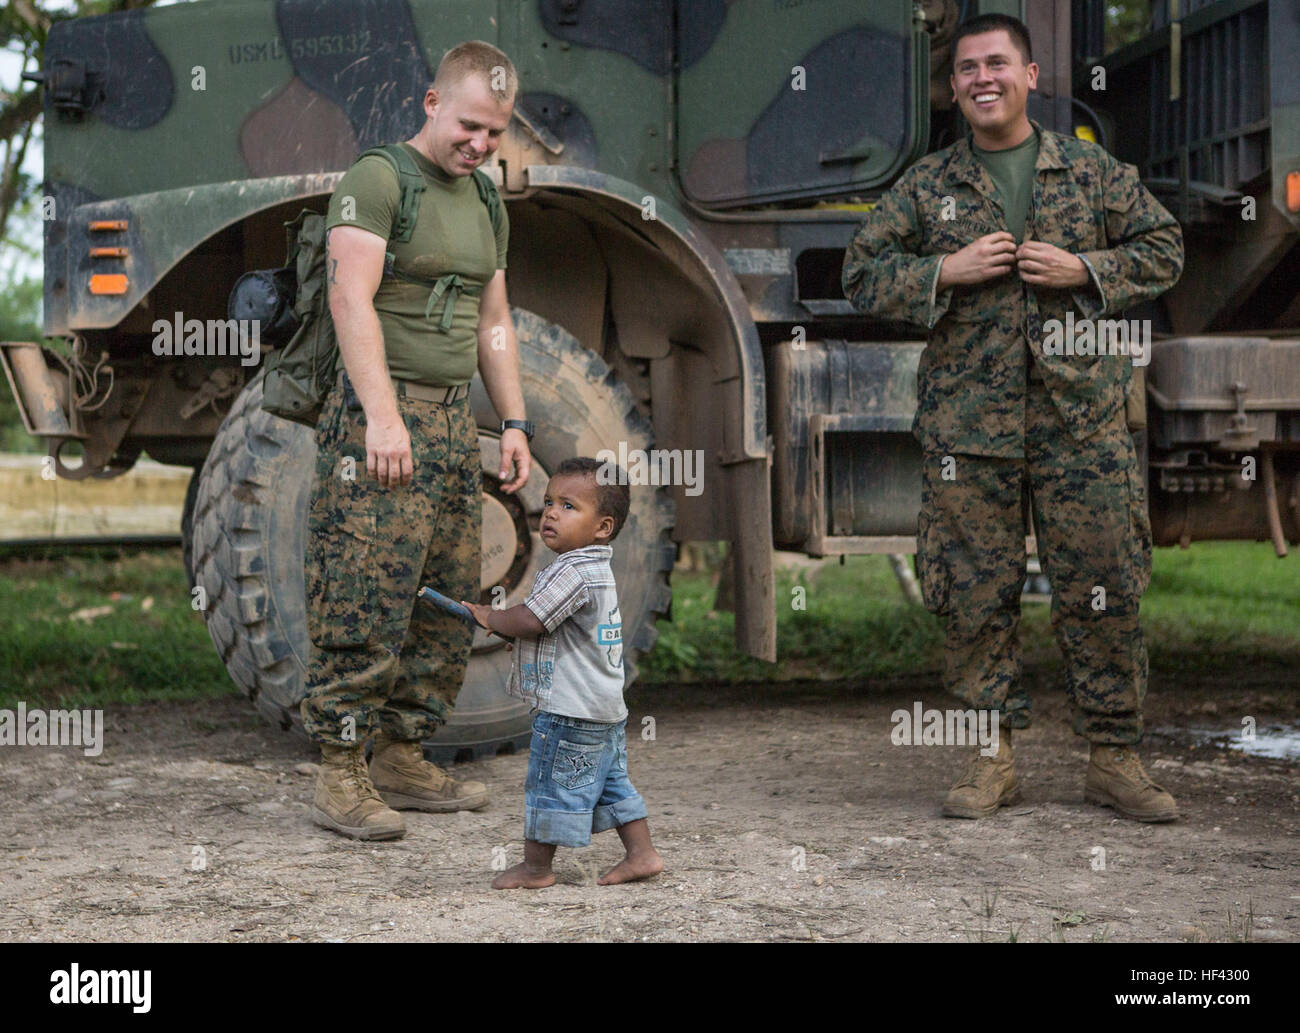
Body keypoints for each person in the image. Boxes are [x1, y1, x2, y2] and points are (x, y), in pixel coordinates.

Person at [842, 14, 1185, 822]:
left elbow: (1163, 246)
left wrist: (1086, 268)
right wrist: (942, 271)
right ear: (954, 85)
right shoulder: (929, 186)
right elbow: (861, 271)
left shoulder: (1092, 171)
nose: (982, 78)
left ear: (1031, 77)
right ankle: (989, 757)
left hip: (1084, 427)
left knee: (1106, 582)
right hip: (970, 432)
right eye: (967, 68)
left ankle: (1114, 756)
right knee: (972, 593)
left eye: (998, 63)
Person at [303, 41, 534, 841]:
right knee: (362, 594)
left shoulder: (486, 199)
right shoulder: (378, 179)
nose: (480, 143)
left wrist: (513, 421)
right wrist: (383, 417)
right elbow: (349, 299)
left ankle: (401, 753)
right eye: (470, 124)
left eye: (496, 132)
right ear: (433, 104)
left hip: (447, 425)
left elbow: (493, 320)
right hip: (383, 419)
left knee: (444, 601)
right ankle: (339, 773)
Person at [462, 458, 663, 888]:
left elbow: (533, 619)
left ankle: (536, 868)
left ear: (603, 527)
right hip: (604, 709)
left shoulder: (572, 571)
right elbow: (559, 632)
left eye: (568, 506)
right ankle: (642, 854)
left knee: (548, 783)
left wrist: (491, 617)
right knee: (612, 783)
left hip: (570, 711)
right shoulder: (596, 568)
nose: (551, 512)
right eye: (549, 501)